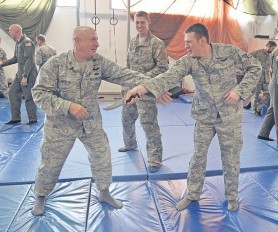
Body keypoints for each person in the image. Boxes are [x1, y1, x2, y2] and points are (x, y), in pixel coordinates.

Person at [124, 23, 261, 211]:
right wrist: (141, 88)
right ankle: (192, 193)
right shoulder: (188, 61)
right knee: (198, 156)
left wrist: (240, 91)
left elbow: (255, 67)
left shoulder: (228, 52)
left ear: (202, 40)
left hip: (229, 116)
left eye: (189, 42)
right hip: (204, 116)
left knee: (231, 158)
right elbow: (167, 77)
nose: (186, 46)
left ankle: (232, 196)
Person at [31, 26, 150, 216]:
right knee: (51, 163)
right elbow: (38, 93)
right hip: (60, 125)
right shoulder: (56, 64)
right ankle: (41, 195)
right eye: (93, 39)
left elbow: (125, 74)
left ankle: (104, 192)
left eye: (97, 39)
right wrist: (68, 106)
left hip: (91, 123)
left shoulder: (98, 63)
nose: (97, 43)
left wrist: (155, 83)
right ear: (78, 42)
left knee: (102, 157)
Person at [118, 11, 169, 173]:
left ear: (149, 22)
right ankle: (130, 144)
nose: (139, 26)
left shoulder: (156, 43)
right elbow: (128, 64)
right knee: (126, 119)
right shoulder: (132, 42)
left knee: (149, 125)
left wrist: (142, 80)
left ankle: (155, 159)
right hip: (130, 90)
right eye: (137, 23)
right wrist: (124, 84)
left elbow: (162, 67)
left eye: (142, 22)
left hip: (146, 91)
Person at [0, 24, 38, 125]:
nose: (9, 33)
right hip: (19, 73)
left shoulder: (27, 42)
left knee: (28, 95)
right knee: (12, 92)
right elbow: (15, 58)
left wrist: (25, 76)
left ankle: (32, 118)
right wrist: (2, 63)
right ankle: (16, 118)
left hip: (28, 73)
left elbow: (30, 60)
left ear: (16, 31)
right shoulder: (18, 43)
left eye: (10, 31)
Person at [250, 41, 277, 116]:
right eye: (272, 48)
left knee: (269, 94)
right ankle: (254, 110)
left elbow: (272, 67)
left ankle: (258, 108)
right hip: (257, 77)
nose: (273, 50)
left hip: (266, 78)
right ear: (268, 46)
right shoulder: (256, 52)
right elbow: (246, 59)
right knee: (256, 94)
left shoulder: (271, 55)